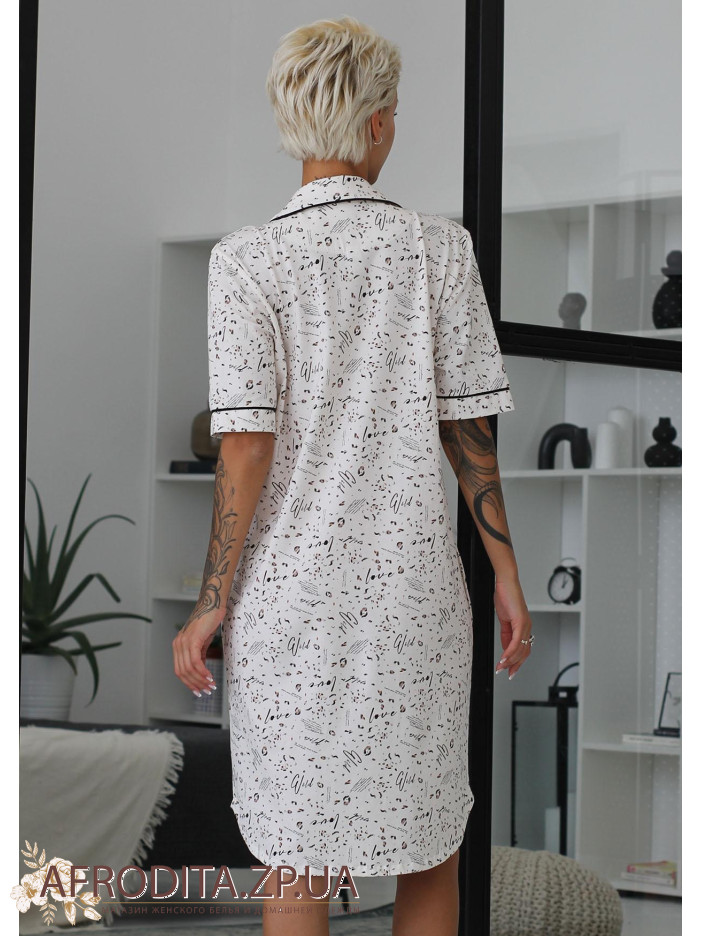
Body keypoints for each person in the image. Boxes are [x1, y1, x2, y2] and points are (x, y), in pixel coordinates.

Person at [172, 15, 533, 936]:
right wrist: (505, 573)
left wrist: (211, 603)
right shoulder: (439, 248)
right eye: (394, 111)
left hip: (290, 604)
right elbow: (470, 433)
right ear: (376, 122)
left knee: (295, 854)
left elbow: (244, 447)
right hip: (415, 599)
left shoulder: (244, 260)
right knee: (429, 847)